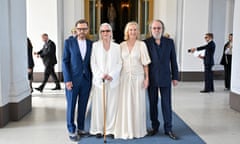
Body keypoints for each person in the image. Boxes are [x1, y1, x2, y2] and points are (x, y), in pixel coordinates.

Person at [114, 21, 151, 139]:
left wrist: (147, 79)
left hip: (138, 77)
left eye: (135, 29)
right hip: (124, 77)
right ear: (127, 32)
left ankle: (137, 130)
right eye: (131, 30)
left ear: (138, 31)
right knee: (124, 103)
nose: (133, 32)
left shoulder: (142, 45)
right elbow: (117, 63)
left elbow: (146, 64)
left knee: (137, 103)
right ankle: (125, 129)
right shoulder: (121, 45)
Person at [144, 19, 179, 140]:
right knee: (153, 104)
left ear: (162, 29)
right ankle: (154, 127)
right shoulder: (146, 43)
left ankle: (168, 128)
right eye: (154, 28)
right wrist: (145, 78)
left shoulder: (169, 42)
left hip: (165, 77)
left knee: (166, 104)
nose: (156, 30)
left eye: (159, 28)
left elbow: (173, 60)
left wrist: (175, 77)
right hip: (152, 79)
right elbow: (144, 63)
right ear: (151, 30)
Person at [89, 23, 122, 139]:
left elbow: (119, 63)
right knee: (99, 106)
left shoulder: (117, 47)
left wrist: (111, 75)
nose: (105, 33)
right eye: (103, 31)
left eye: (107, 31)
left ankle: (110, 129)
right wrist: (100, 75)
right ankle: (98, 129)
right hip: (99, 81)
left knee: (112, 105)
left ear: (111, 32)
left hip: (113, 81)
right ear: (100, 33)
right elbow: (93, 63)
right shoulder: (95, 46)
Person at [62, 19, 93, 141]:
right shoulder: (69, 43)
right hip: (72, 81)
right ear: (76, 29)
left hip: (86, 80)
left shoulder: (91, 44)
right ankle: (71, 129)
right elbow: (65, 62)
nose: (82, 31)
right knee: (71, 105)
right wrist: (67, 80)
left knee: (83, 105)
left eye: (84, 29)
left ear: (87, 30)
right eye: (79, 29)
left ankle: (81, 128)